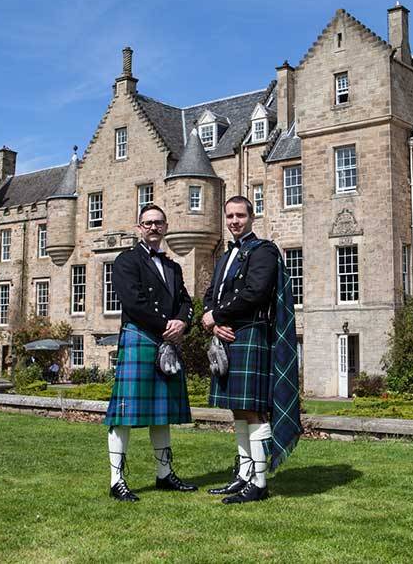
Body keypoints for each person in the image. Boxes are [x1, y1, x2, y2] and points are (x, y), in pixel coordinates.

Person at [202, 195, 302, 504]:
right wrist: (212, 322)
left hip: (251, 334)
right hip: (230, 336)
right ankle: (243, 475)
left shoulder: (263, 251)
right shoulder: (225, 256)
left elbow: (256, 292)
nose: (234, 221)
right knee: (239, 410)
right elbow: (211, 294)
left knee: (254, 410)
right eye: (229, 216)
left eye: (240, 215)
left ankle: (258, 483)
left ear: (252, 217)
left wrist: (218, 315)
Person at [104, 204, 197, 501]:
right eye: (147, 223)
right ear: (139, 228)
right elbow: (133, 302)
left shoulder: (173, 266)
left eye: (158, 223)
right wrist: (166, 326)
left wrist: (183, 322)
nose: (153, 227)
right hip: (140, 337)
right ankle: (116, 480)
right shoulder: (126, 261)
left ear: (166, 226)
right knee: (123, 413)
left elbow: (185, 300)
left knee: (162, 412)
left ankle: (164, 474)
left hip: (165, 342)